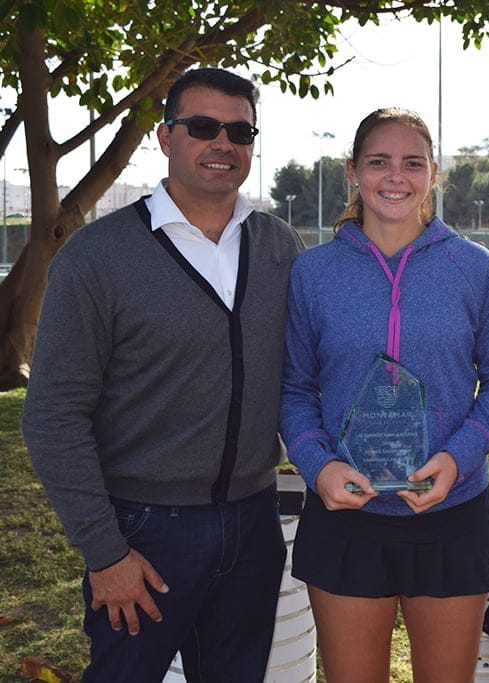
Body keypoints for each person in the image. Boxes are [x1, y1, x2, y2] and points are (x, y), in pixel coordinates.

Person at [21, 67, 305, 681]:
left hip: (255, 520)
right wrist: (105, 551)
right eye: (202, 127)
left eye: (239, 131)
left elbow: (306, 374)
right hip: (143, 530)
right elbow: (51, 414)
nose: (222, 144)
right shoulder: (97, 257)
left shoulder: (280, 246)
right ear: (166, 136)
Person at [279, 107, 489, 683]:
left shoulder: (473, 267)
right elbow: (294, 389)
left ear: (433, 173)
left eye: (412, 163)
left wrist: (458, 459)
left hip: (452, 509)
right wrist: (318, 467)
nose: (396, 176)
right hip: (346, 514)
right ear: (353, 171)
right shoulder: (313, 272)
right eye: (379, 162)